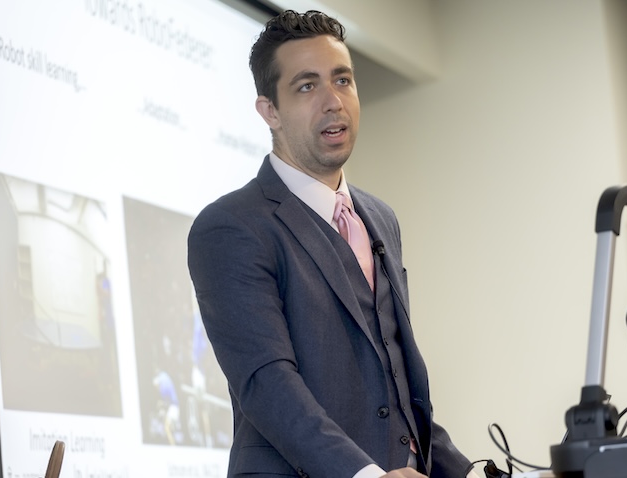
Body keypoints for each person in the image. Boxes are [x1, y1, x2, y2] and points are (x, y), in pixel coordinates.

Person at [188, 10, 476, 478]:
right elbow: (267, 384)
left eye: (342, 80)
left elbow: (398, 390)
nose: (333, 101)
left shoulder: (380, 218)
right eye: (307, 86)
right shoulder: (230, 226)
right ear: (269, 111)